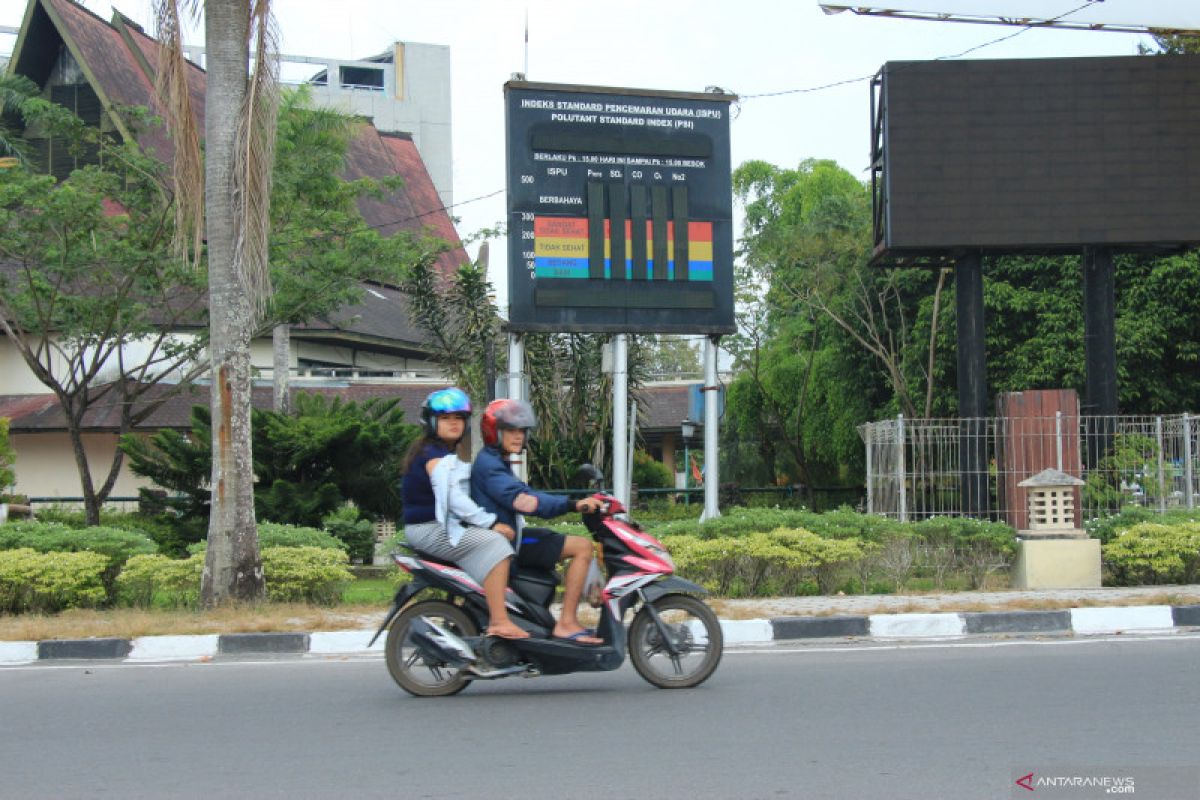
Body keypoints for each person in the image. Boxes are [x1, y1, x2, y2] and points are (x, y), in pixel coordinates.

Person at [471, 398, 604, 646]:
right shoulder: (490, 466)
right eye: (511, 430)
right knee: (582, 547)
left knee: (558, 539)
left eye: (522, 430)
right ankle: (566, 623)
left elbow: (526, 493)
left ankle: (556, 619)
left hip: (515, 537)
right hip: (507, 546)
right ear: (494, 431)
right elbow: (525, 502)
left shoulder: (496, 461)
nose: (518, 436)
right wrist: (573, 504)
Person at [400, 388, 528, 640]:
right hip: (427, 530)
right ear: (432, 422)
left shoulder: (442, 453)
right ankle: (499, 621)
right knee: (496, 544)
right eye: (446, 418)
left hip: (436, 527)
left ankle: (483, 607)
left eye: (459, 418)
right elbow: (453, 498)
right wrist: (490, 523)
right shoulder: (433, 457)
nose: (454, 423)